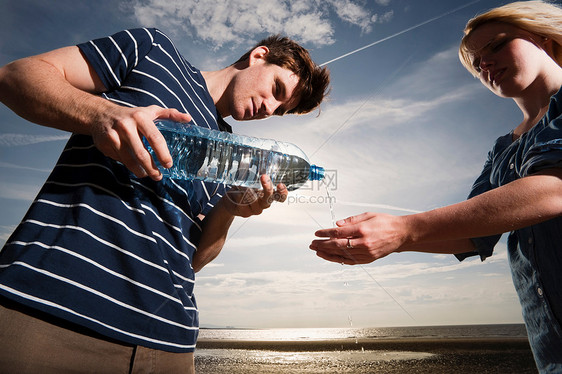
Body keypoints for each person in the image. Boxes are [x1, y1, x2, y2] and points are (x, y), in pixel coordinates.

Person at [0, 28, 330, 373]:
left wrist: (230, 209)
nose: (269, 108)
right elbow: (15, 77)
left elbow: (196, 259)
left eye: (279, 110)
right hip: (52, 310)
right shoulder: (154, 51)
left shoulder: (232, 149)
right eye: (276, 89)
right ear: (259, 56)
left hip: (170, 343)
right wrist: (103, 114)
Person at [309, 1, 562, 372]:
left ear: (546, 40)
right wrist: (387, 243)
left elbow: (553, 189)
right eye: (477, 65)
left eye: (496, 46)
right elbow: (474, 235)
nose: (485, 64)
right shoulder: (502, 149)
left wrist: (403, 228)